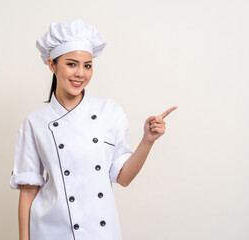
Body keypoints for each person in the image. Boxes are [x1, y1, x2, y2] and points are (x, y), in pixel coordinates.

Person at [10, 19, 177, 240]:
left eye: (87, 65)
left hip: (101, 232)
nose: (80, 73)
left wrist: (148, 140)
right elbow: (28, 191)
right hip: (50, 230)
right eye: (71, 64)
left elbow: (124, 178)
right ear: (52, 65)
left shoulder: (110, 112)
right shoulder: (34, 122)